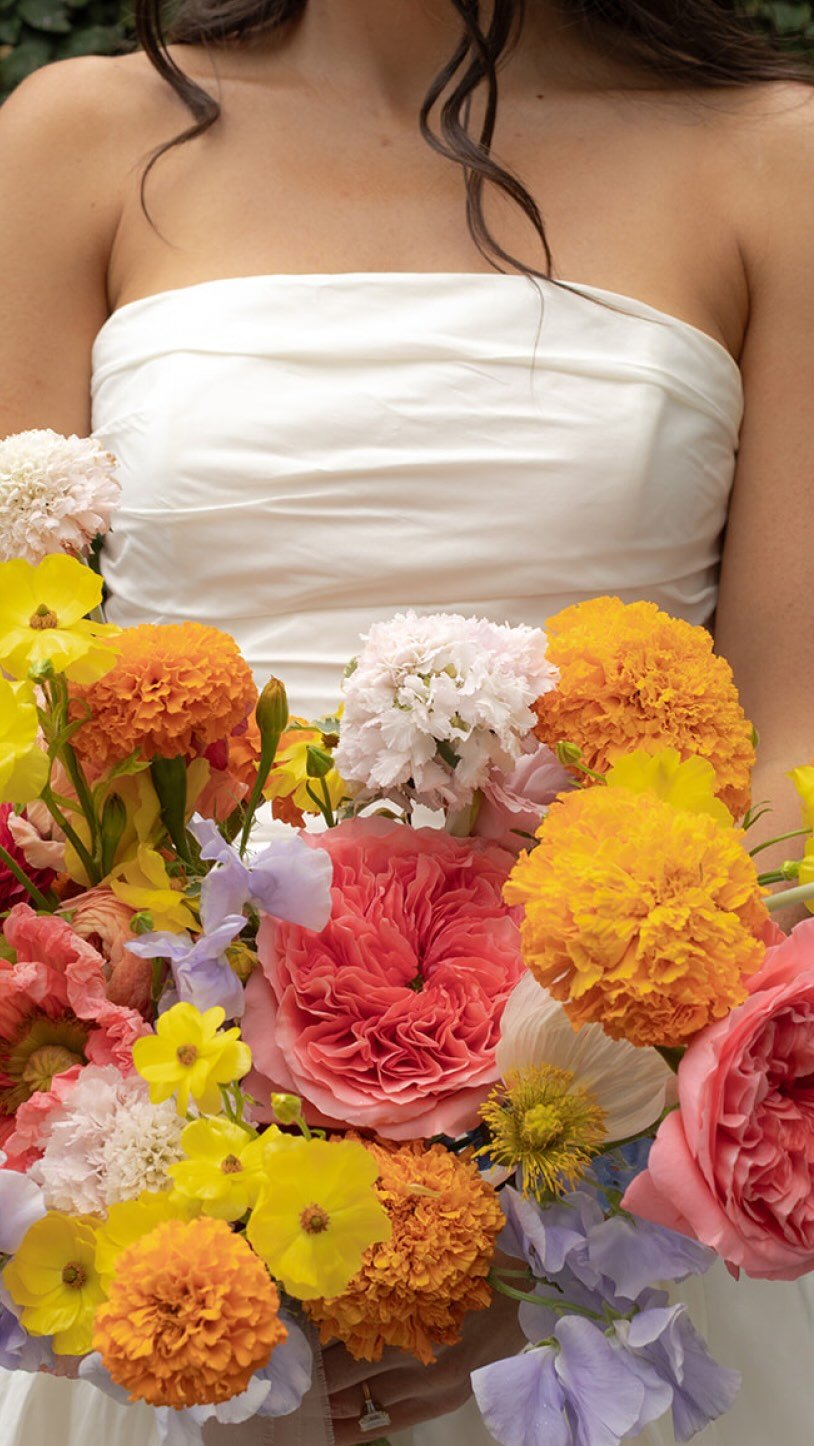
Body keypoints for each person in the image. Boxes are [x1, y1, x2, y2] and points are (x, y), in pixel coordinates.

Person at [1, 1, 813, 1442]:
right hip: (168, 1186)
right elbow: (24, 673)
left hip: (592, 1176)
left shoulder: (771, 159)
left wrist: (544, 1216)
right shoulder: (75, 140)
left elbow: (792, 729)